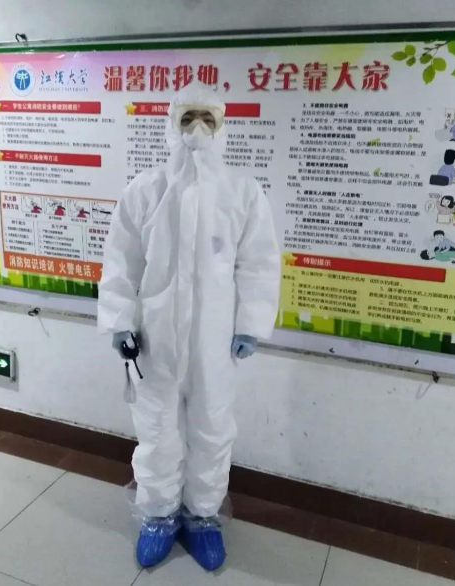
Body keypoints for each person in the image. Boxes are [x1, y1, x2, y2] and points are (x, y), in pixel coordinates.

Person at [98, 83, 280, 571]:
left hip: (215, 340)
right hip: (155, 337)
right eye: (187, 119)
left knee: (212, 427)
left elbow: (259, 263)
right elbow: (121, 261)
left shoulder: (243, 192)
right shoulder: (145, 190)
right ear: (171, 124)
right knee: (157, 429)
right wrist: (119, 319)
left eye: (207, 119)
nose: (197, 129)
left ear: (222, 127)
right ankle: (158, 516)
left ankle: (202, 517)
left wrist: (250, 324)